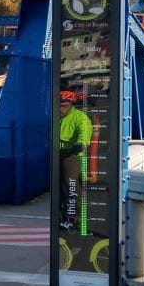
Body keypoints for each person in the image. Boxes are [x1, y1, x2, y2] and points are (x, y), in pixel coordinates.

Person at [58, 90, 94, 232]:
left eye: (64, 106)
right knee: (59, 188)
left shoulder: (80, 118)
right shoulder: (58, 117)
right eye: (59, 106)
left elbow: (84, 133)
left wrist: (80, 143)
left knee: (70, 186)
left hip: (72, 155)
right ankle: (62, 217)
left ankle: (73, 219)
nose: (61, 109)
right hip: (58, 154)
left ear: (71, 105)